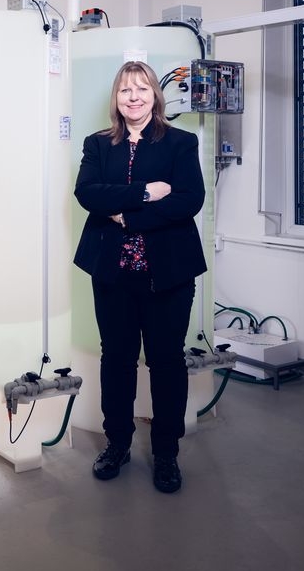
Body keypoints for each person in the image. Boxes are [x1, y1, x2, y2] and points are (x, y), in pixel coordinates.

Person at [73, 60, 207, 493]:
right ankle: (117, 444)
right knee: (117, 360)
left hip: (167, 274)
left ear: (155, 96)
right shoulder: (98, 144)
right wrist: (147, 192)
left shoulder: (180, 143)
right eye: (126, 90)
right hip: (113, 273)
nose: (134, 97)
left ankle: (166, 452)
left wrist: (126, 217)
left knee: (167, 362)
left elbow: (189, 200)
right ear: (116, 98)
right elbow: (87, 193)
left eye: (142, 89)